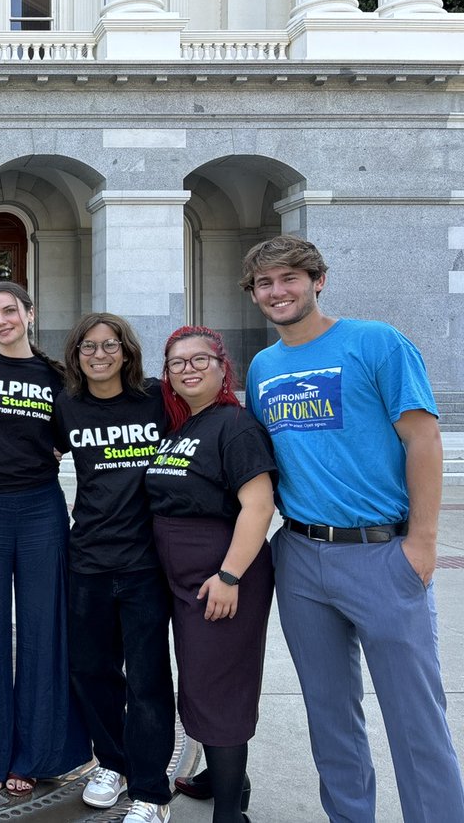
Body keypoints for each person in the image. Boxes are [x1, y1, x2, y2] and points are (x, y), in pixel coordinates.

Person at [241, 235, 464, 823]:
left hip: (381, 553)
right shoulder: (265, 366)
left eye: (289, 278)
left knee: (415, 715)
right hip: (301, 555)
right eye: (265, 283)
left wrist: (421, 543)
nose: (277, 291)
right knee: (330, 712)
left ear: (318, 280)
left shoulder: (375, 343)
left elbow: (422, 439)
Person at [0, 281, 90, 796]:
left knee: (43, 628)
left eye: (10, 311)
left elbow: (76, 435)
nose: (1, 321)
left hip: (39, 510)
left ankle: (37, 753)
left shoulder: (57, 377)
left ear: (30, 313)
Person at [144, 325, 276, 823]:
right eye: (178, 363)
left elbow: (258, 506)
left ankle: (229, 811)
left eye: (200, 360)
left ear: (223, 367)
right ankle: (227, 776)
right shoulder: (185, 425)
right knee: (201, 680)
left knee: (220, 685)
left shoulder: (234, 425)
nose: (189, 369)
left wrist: (230, 575)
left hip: (220, 574)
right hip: (181, 576)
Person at [57, 313, 176, 823]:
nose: (99, 354)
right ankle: (111, 762)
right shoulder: (67, 406)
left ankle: (150, 791)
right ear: (76, 354)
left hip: (146, 564)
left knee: (147, 679)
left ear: (126, 351)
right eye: (89, 347)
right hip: (87, 559)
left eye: (110, 345)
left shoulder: (155, 399)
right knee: (91, 671)